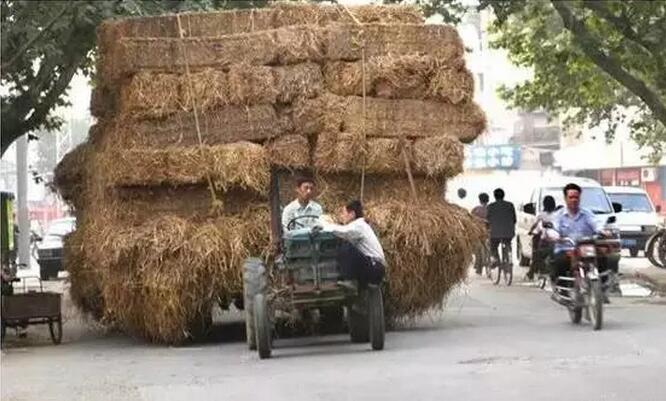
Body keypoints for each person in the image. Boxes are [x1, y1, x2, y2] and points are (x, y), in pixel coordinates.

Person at [549, 183, 611, 301]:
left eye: (576, 197)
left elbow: (596, 223)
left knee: (602, 257)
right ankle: (562, 290)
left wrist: (602, 231)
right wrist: (555, 236)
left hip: (585, 248)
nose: (574, 200)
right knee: (559, 262)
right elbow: (553, 229)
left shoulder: (587, 214)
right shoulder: (559, 216)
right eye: (571, 197)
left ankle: (602, 289)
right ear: (565, 198)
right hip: (566, 248)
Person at [316, 200, 385, 289]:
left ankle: (350, 280)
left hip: (374, 268)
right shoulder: (361, 225)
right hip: (373, 267)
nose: (342, 216)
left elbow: (343, 232)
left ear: (352, 214)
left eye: (343, 213)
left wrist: (324, 226)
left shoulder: (359, 225)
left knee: (346, 246)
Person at [527, 195, 557, 280]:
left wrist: (530, 231)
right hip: (556, 238)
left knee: (536, 254)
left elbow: (535, 224)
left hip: (546, 238)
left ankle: (531, 272)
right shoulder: (557, 214)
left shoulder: (541, 214)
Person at [486, 188, 516, 267]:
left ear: (494, 196)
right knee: (507, 243)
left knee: (493, 246)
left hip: (495, 233)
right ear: (503, 195)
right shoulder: (510, 205)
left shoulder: (490, 206)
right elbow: (514, 219)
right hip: (509, 232)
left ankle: (495, 259)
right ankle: (509, 256)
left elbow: (487, 220)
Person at [471, 193, 490, 274]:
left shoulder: (475, 209)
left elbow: (470, 220)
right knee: (489, 247)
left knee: (477, 249)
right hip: (489, 232)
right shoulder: (490, 209)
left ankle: (478, 268)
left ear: (480, 200)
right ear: (488, 200)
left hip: (478, 232)